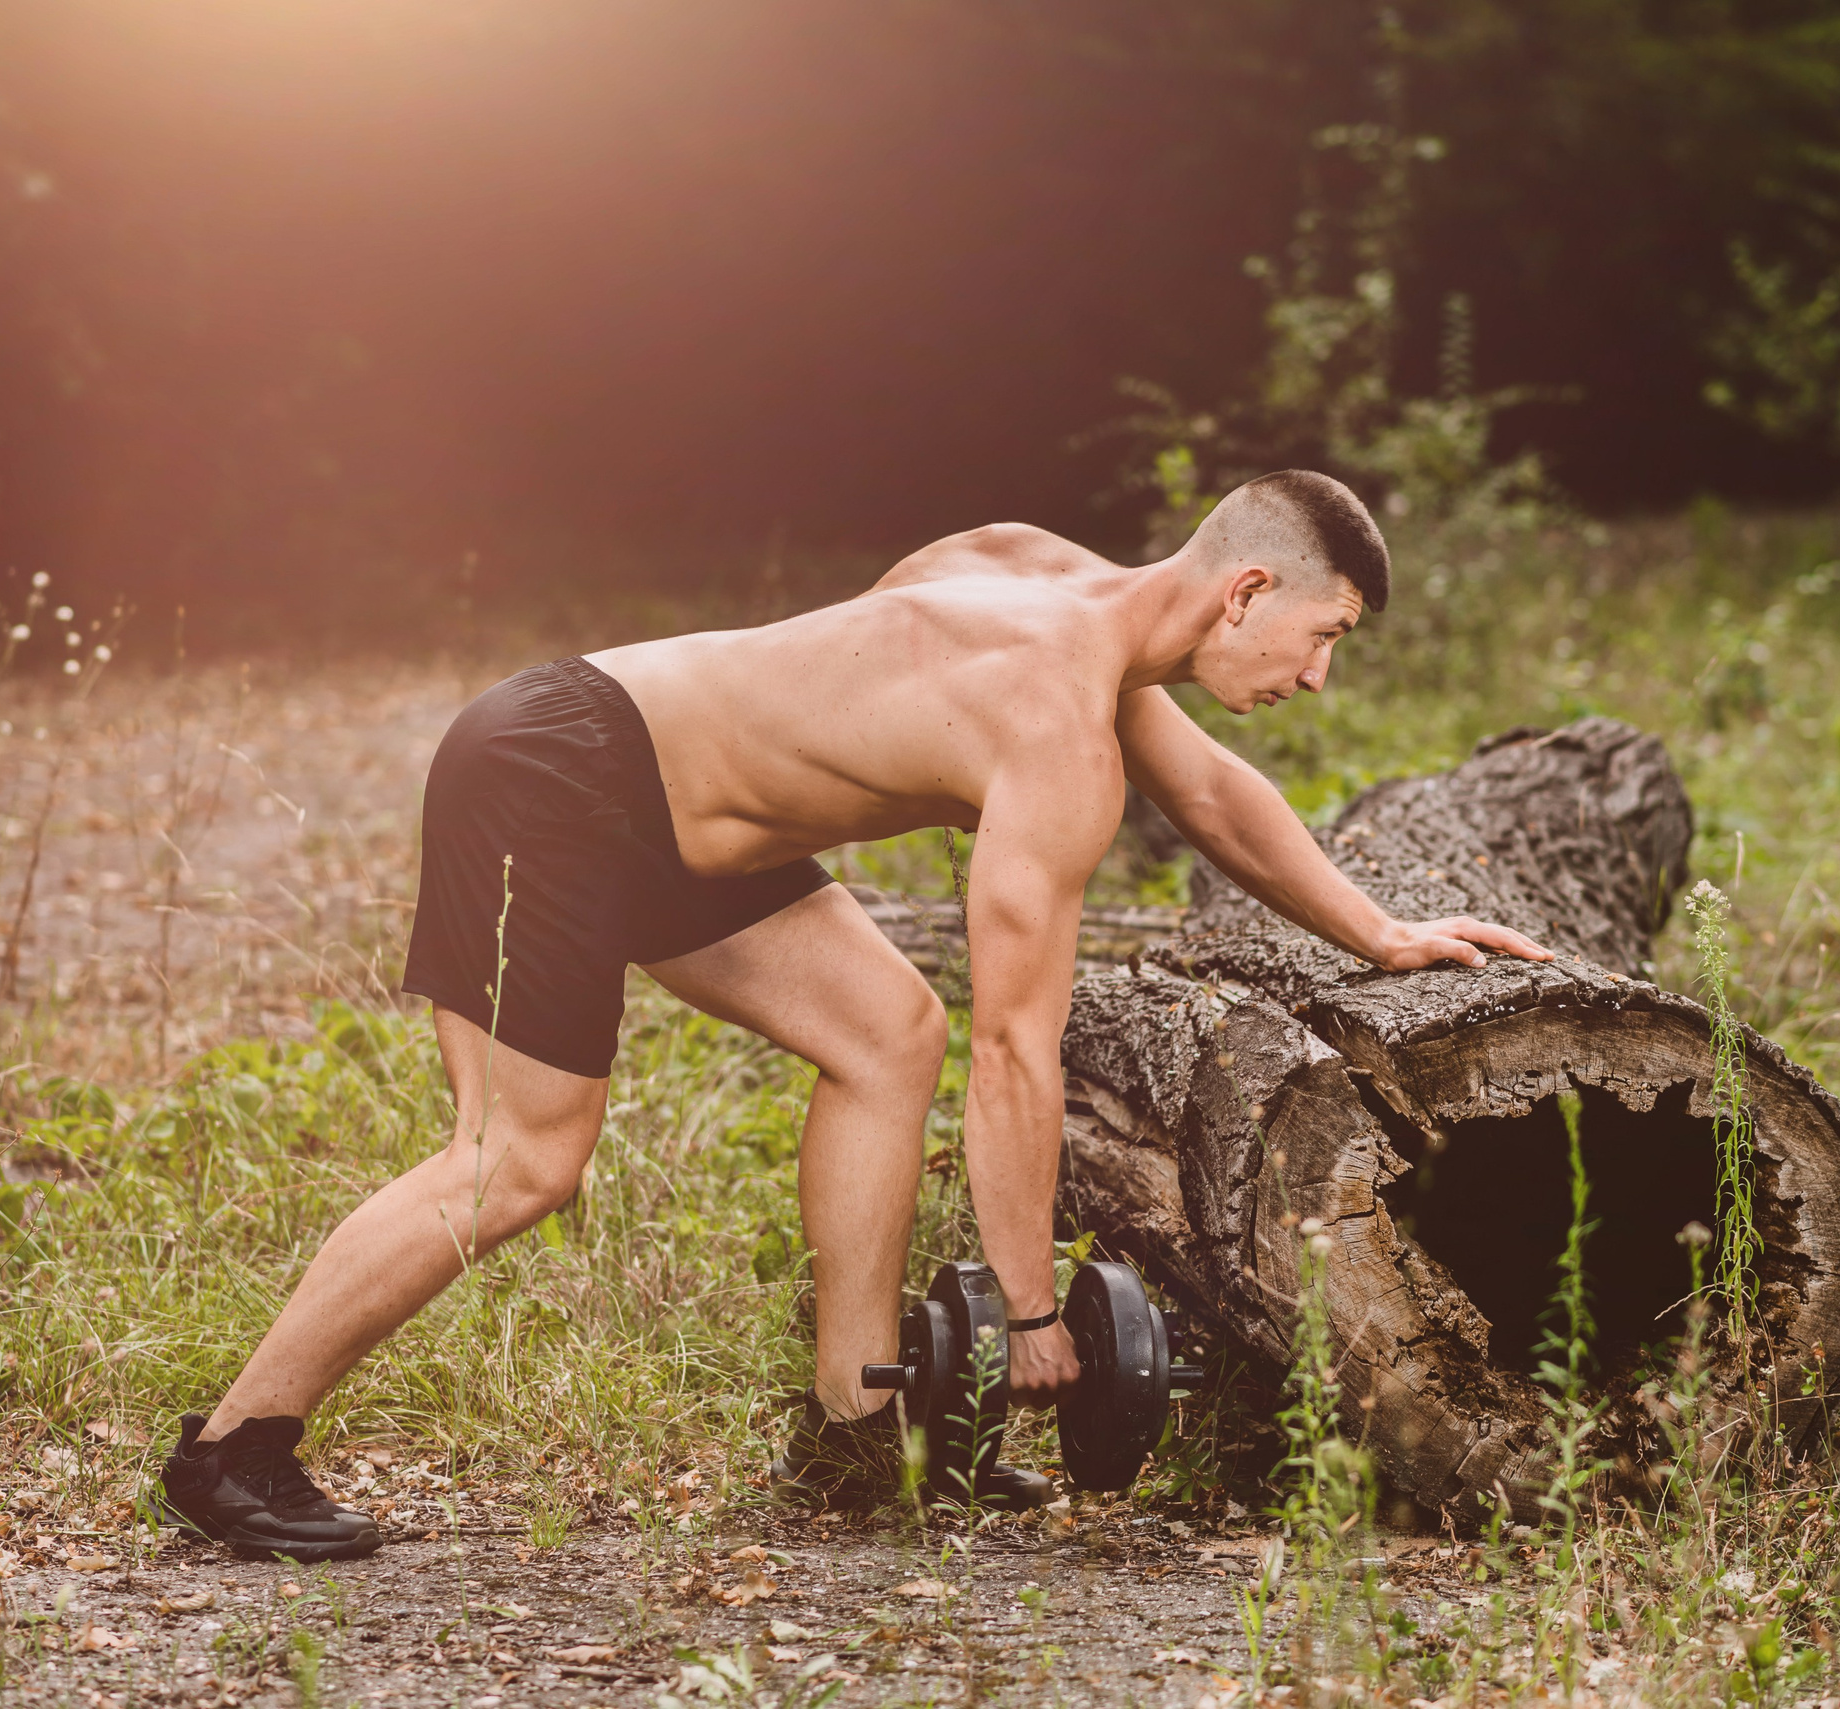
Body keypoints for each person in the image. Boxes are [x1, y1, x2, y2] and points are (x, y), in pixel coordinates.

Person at [151, 469, 1552, 1560]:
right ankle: (235, 1450)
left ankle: (856, 1430)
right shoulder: (1055, 724)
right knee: (519, 1156)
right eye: (1325, 636)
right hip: (555, 777)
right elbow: (1017, 1049)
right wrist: (1027, 1313)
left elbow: (1210, 791)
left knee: (887, 1032)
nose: (1318, 675)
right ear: (1245, 592)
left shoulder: (1047, 577)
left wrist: (1382, 932)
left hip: (665, 814)